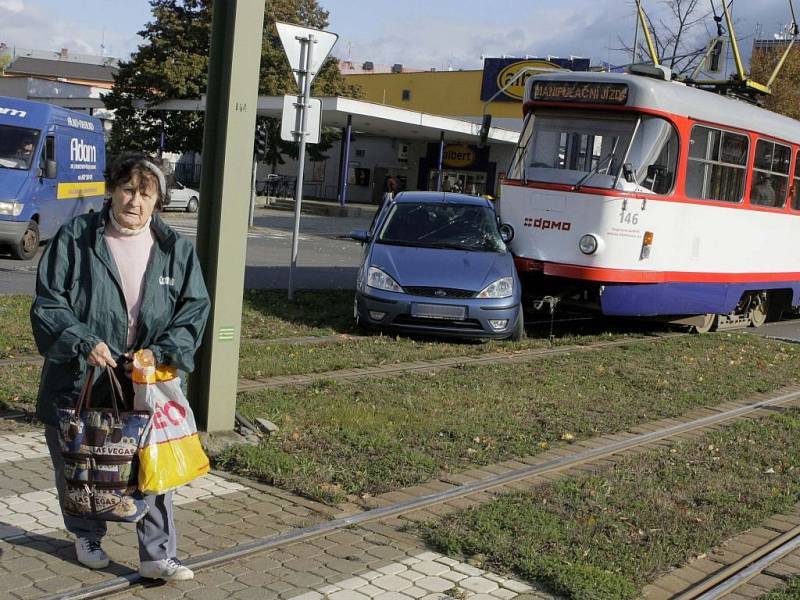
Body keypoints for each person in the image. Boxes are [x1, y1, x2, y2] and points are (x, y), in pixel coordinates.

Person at [30, 153, 211, 581]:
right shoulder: (77, 237)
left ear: (157, 201)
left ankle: (156, 554)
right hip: (83, 372)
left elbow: (194, 311)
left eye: (146, 193)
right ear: (112, 190)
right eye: (128, 189)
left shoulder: (175, 250)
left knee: (152, 461)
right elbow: (49, 300)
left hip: (146, 378)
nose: (135, 201)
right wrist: (82, 340)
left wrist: (163, 351)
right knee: (80, 456)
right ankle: (86, 533)